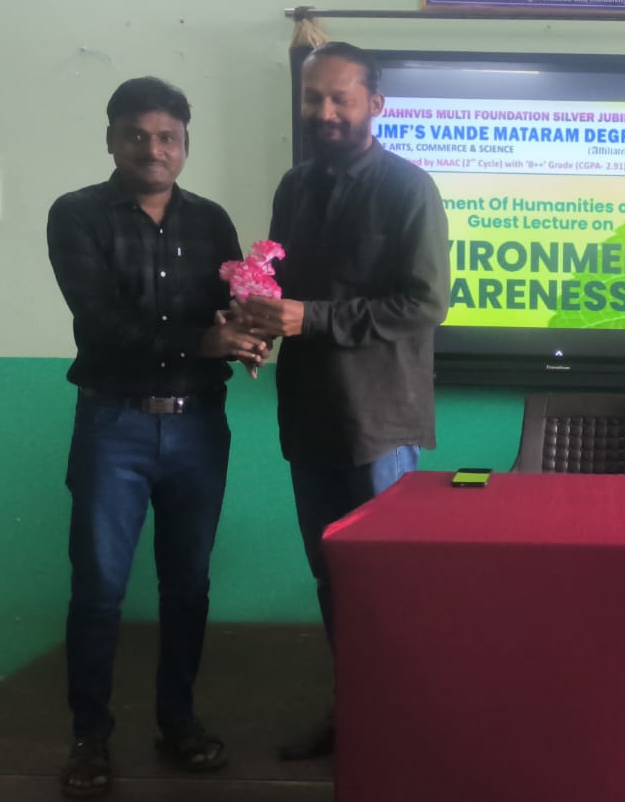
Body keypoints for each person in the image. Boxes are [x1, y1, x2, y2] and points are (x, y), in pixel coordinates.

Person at [46, 77, 267, 798]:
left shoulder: (211, 221)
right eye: (137, 135)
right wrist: (205, 341)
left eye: (167, 136)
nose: (153, 149)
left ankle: (178, 721)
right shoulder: (77, 214)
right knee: (99, 589)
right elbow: (100, 321)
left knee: (188, 584)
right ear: (111, 140)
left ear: (184, 145)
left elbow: (227, 308)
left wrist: (249, 333)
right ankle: (90, 737)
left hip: (199, 425)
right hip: (114, 424)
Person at [234, 42, 450, 760]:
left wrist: (312, 318)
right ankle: (354, 709)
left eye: (340, 99)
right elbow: (281, 290)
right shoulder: (294, 187)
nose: (324, 112)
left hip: (378, 422)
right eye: (312, 98)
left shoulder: (409, 188)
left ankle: (404, 726)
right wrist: (256, 323)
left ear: (374, 105)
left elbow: (425, 304)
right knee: (331, 576)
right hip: (309, 415)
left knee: (385, 582)